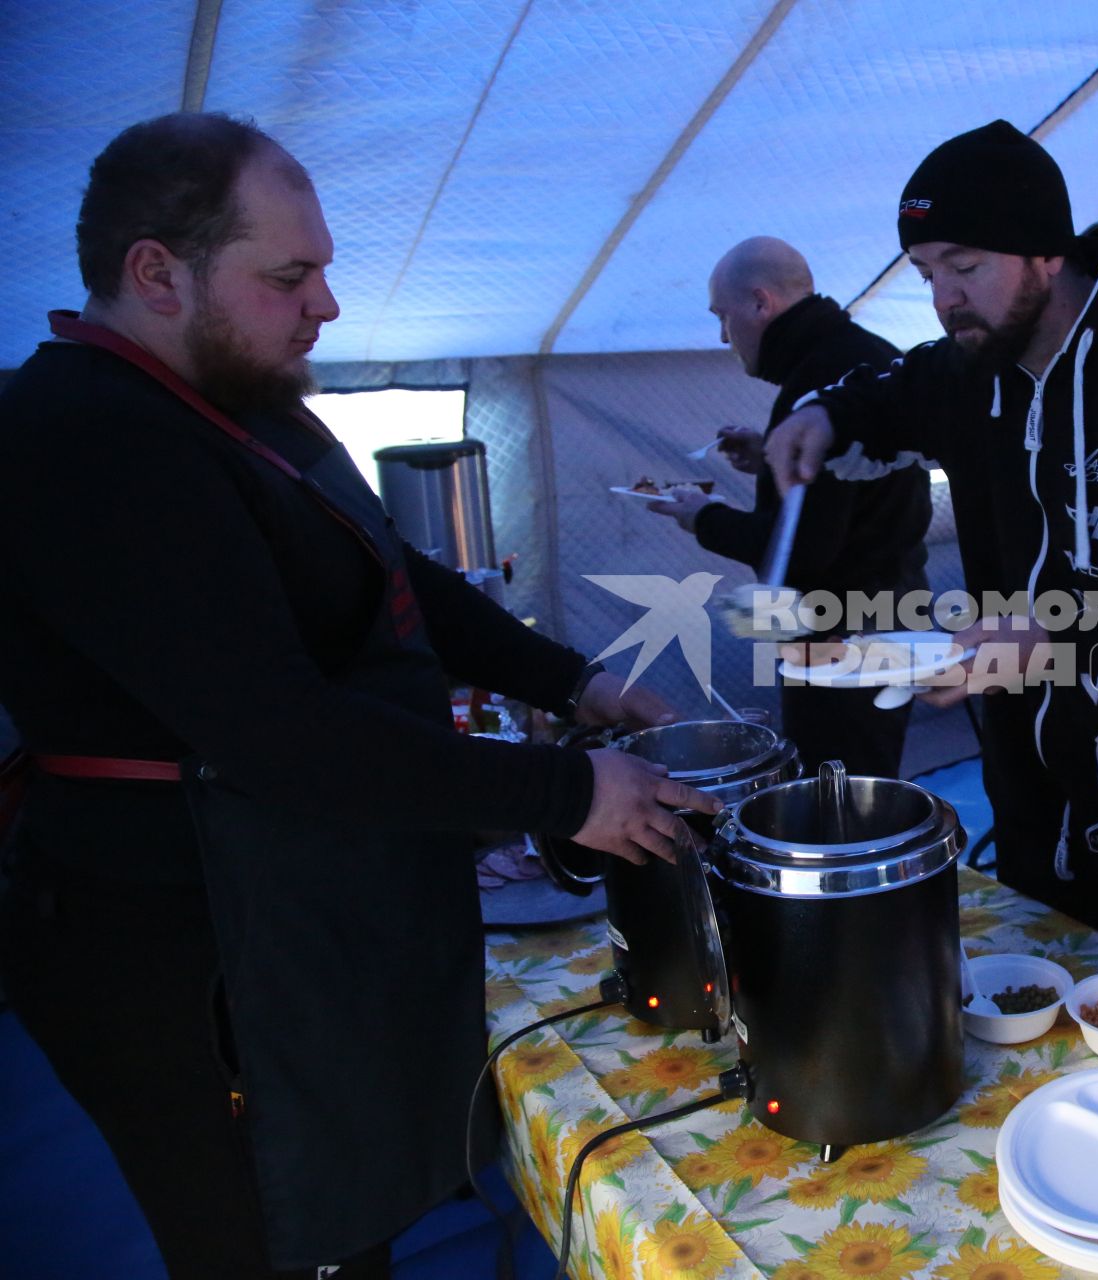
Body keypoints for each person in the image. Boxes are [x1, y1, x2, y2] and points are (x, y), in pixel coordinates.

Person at [0, 112, 720, 1278]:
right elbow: (279, 733)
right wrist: (566, 788)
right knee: (281, 1241)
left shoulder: (246, 406)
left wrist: (577, 681)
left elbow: (398, 573)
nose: (326, 304)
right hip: (186, 951)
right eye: (292, 275)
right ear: (155, 273)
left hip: (295, 907)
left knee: (350, 1224)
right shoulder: (85, 435)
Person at [766, 120, 1098, 995]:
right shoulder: (976, 370)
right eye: (926, 272)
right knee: (1047, 1027)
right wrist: (817, 416)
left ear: (1046, 254)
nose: (944, 298)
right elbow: (882, 393)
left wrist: (1053, 642)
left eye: (965, 264)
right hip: (1035, 791)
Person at [651, 237, 931, 776]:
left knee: (842, 794)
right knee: (867, 775)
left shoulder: (819, 383)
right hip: (889, 613)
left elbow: (802, 552)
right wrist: (771, 454)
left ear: (761, 302)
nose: (723, 337)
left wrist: (699, 517)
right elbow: (856, 483)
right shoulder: (865, 355)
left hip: (841, 637)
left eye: (724, 318)